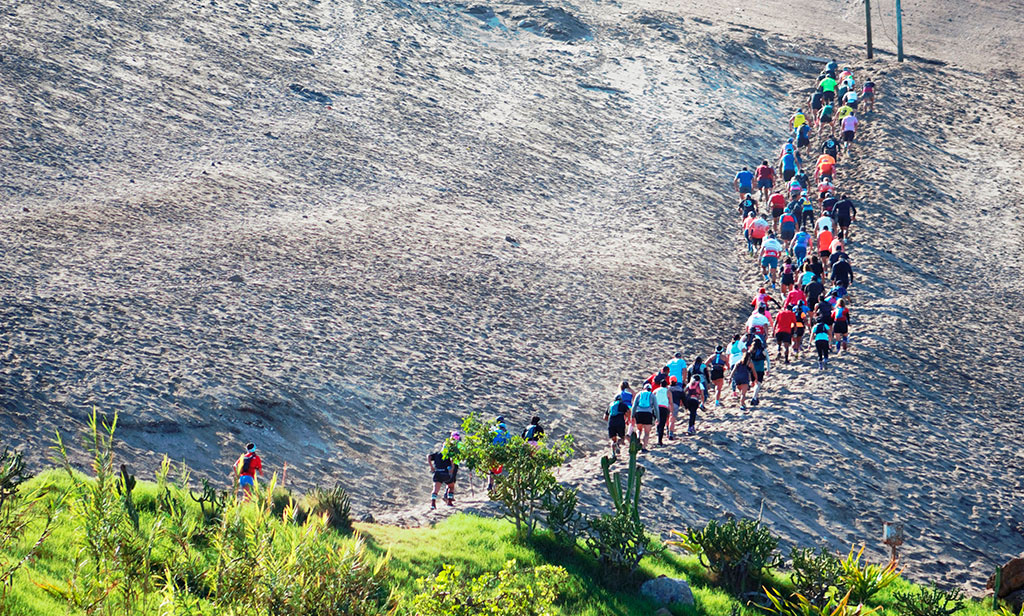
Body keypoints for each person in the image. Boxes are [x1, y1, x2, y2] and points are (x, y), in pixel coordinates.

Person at [631, 383, 658, 451]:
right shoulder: (652, 395)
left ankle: (638, 438)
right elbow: (656, 408)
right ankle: (643, 447)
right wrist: (658, 417)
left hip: (639, 413)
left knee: (639, 429)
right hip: (648, 414)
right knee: (646, 432)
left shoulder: (639, 394)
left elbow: (634, 406)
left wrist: (632, 415)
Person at [604, 394, 631, 458]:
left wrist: (610, 420)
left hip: (611, 423)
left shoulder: (610, 405)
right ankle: (618, 444)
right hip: (620, 423)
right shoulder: (623, 405)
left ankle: (613, 453)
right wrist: (627, 419)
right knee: (622, 438)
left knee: (613, 440)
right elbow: (628, 411)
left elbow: (605, 417)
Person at [748, 337, 770, 405]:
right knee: (758, 384)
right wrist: (768, 369)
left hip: (752, 369)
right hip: (760, 369)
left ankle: (755, 397)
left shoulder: (750, 351)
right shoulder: (763, 350)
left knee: (754, 383)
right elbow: (768, 360)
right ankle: (754, 398)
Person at [653, 378, 674, 446]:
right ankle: (660, 441)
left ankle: (657, 431)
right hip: (664, 408)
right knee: (662, 424)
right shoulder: (668, 391)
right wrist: (672, 410)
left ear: (660, 385)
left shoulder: (656, 390)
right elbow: (671, 402)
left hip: (656, 407)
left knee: (658, 422)